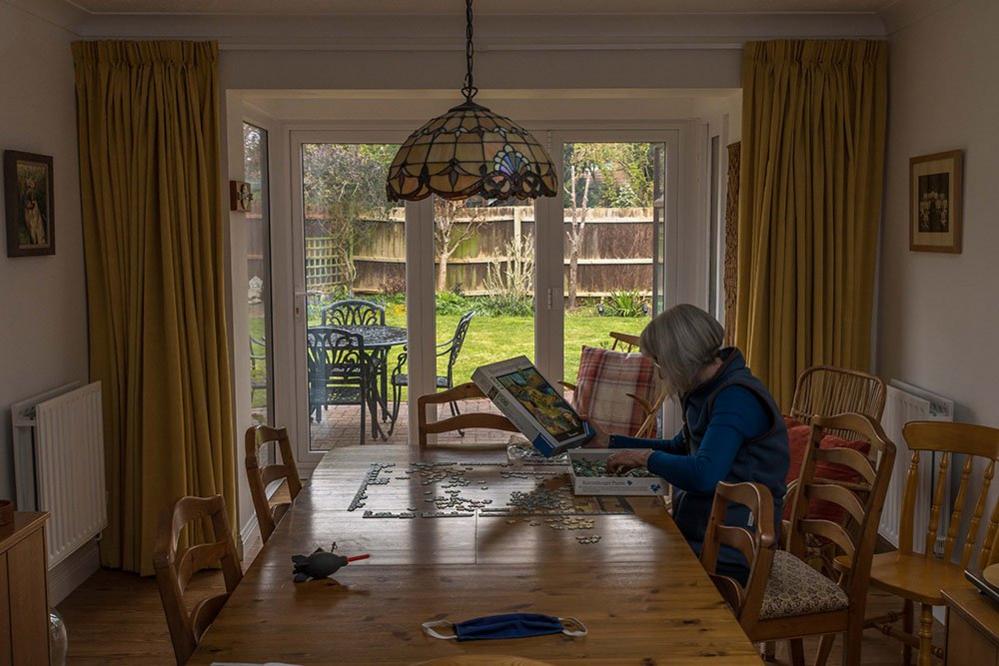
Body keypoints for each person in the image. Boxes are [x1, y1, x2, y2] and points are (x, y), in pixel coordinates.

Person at [592, 304, 789, 583]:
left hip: (730, 553)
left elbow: (704, 474)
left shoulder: (736, 398)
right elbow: (681, 446)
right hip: (701, 530)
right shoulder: (706, 389)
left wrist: (645, 458)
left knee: (621, 569)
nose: (660, 373)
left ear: (680, 359)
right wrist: (611, 443)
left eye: (660, 362)